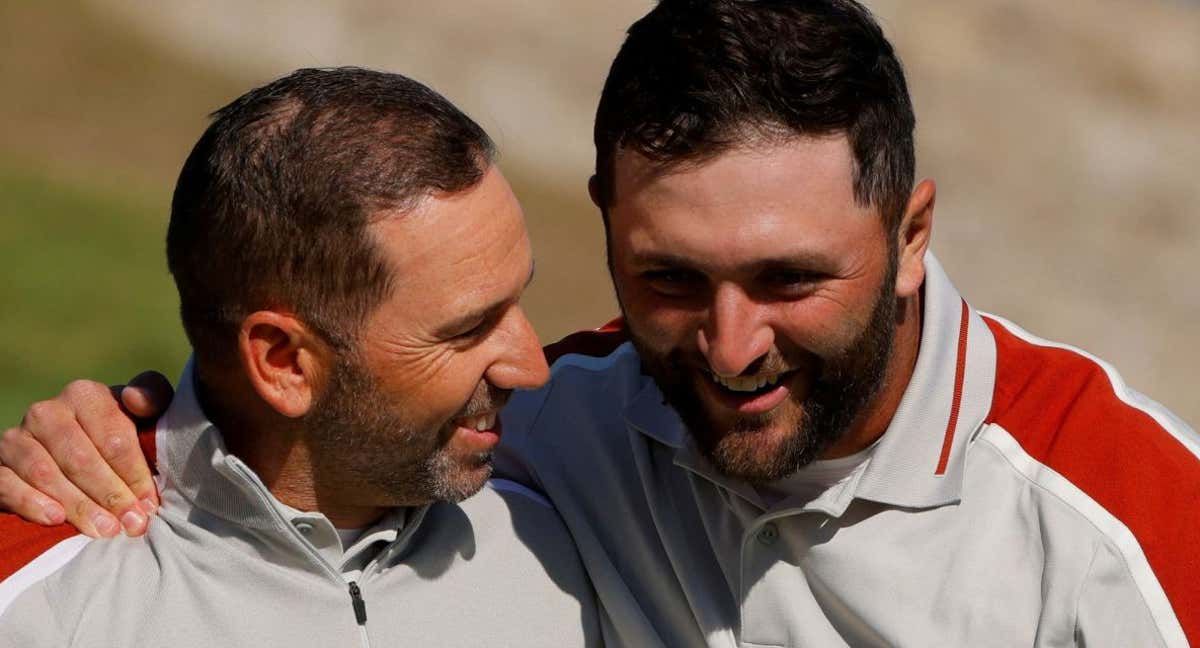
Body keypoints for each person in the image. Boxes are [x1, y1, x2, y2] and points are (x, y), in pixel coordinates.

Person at [3, 0, 1198, 645]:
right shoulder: (548, 432)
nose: (731, 349)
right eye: (669, 280)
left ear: (912, 237)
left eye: (789, 280)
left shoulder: (1126, 521)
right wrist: (124, 435)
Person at [0, 67, 604, 647]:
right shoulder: (35, 600)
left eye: (518, 298)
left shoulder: (585, 524)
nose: (532, 366)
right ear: (284, 362)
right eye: (469, 329)